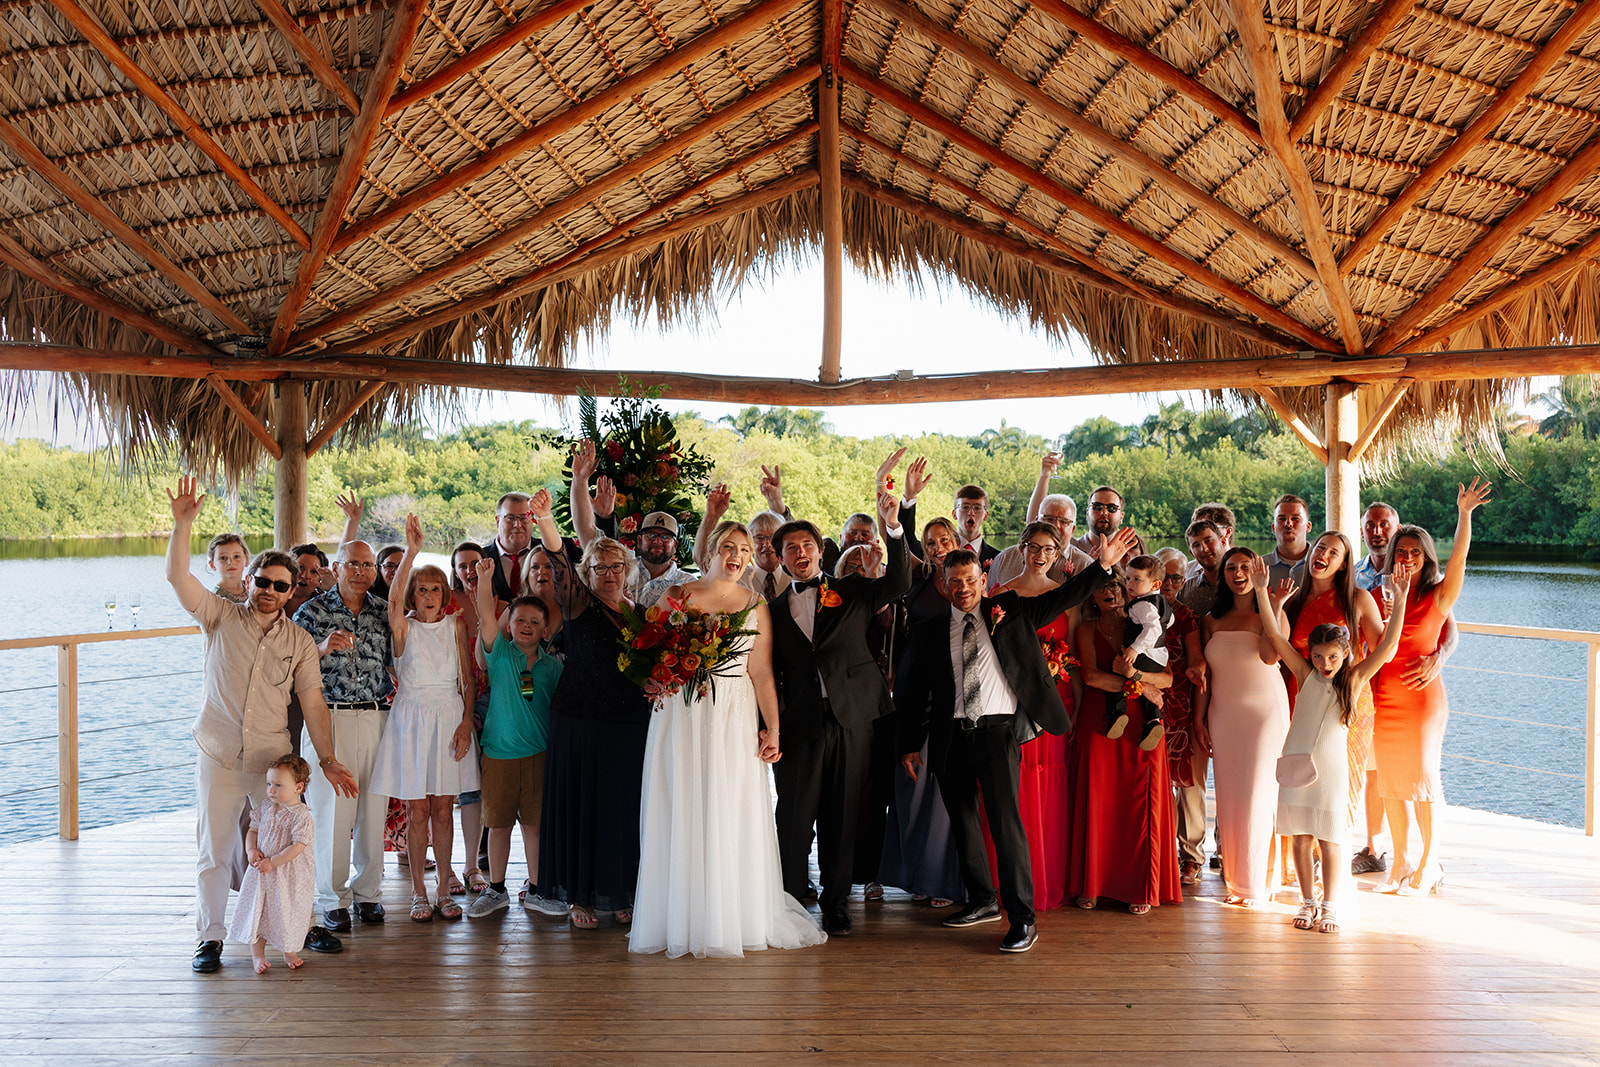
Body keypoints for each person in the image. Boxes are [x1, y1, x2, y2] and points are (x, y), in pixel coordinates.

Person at [898, 528, 1135, 953]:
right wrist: (909, 744)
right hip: (950, 736)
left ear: (983, 582)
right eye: (955, 583)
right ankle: (983, 901)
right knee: (964, 824)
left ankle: (1023, 919)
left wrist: (1103, 564)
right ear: (945, 584)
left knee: (1007, 827)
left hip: (996, 732)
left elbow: (1061, 599)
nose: (964, 589)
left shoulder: (1009, 609)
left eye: (971, 581)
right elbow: (915, 691)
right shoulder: (931, 629)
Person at [163, 477, 356, 974]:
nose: (270, 591)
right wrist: (183, 524)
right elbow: (178, 580)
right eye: (262, 582)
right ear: (247, 581)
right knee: (214, 849)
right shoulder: (219, 616)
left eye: (281, 586)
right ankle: (210, 938)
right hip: (219, 753)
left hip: (273, 765)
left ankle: (298, 927)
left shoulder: (297, 641)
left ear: (293, 591)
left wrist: (329, 759)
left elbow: (313, 705)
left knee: (288, 848)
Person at [628, 520, 828, 959]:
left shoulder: (755, 604)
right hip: (681, 714)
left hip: (733, 717)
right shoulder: (680, 595)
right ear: (710, 554)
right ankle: (681, 915)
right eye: (727, 547)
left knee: (729, 805)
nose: (735, 555)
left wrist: (772, 728)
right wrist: (658, 677)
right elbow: (646, 648)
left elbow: (761, 672)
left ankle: (733, 915)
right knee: (682, 803)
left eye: (743, 549)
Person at [769, 464, 914, 936]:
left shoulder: (850, 590)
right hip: (799, 725)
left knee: (842, 816)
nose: (802, 553)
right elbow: (764, 672)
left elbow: (898, 584)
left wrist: (893, 527)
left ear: (820, 551)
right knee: (793, 819)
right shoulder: (769, 610)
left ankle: (835, 904)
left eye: (809, 545)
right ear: (781, 560)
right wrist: (766, 725)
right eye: (792, 548)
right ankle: (789, 903)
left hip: (853, 720)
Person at [1253, 556, 1411, 935]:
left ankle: (1330, 905)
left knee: (1331, 840)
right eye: (1319, 656)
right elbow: (1276, 638)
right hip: (1296, 766)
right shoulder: (1305, 673)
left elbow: (1387, 647)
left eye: (1333, 657)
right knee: (1300, 838)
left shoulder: (1353, 680)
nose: (1325, 663)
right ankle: (1306, 902)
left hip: (1332, 773)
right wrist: (1262, 592)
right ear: (1310, 655)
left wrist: (1401, 598)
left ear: (1345, 656)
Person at [532, 486, 653, 930]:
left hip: (629, 724)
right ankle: (579, 897)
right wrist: (547, 521)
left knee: (622, 808)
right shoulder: (577, 603)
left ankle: (621, 892)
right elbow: (559, 564)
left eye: (616, 566)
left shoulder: (641, 613)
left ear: (628, 570)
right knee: (582, 809)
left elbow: (650, 665)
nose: (609, 573)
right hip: (580, 722)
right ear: (588, 571)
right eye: (600, 566)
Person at [1371, 479, 1492, 898]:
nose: (1407, 558)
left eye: (1415, 553)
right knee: (1390, 781)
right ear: (1391, 556)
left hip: (1422, 699)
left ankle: (1430, 863)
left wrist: (1464, 515)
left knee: (1423, 779)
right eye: (1400, 552)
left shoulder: (1439, 597)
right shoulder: (1376, 594)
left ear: (1426, 558)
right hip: (1383, 698)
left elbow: (1459, 558)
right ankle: (1402, 860)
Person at [369, 515, 479, 922]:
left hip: (450, 717)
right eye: (422, 589)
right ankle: (418, 892)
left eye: (435, 589)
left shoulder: (455, 623)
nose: (429, 595)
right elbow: (392, 601)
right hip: (412, 719)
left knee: (443, 810)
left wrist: (467, 722)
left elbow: (467, 679)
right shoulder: (403, 627)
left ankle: (445, 888)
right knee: (417, 811)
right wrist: (412, 552)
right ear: (413, 595)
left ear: (444, 594)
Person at [294, 539, 394, 940]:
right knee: (331, 812)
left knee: (374, 806)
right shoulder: (311, 611)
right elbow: (287, 665)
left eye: (368, 565)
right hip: (327, 719)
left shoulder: (384, 612)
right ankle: (333, 900)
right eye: (352, 564)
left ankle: (368, 891)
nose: (361, 571)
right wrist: (320, 648)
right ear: (336, 568)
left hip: (375, 716)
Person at [1067, 573, 1182, 914]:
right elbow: (1090, 677)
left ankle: (1139, 887)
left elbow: (1167, 678)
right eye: (1102, 588)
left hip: (1141, 724)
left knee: (1138, 800)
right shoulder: (1085, 631)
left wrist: (1138, 679)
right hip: (1098, 720)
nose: (1110, 592)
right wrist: (1138, 688)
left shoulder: (1143, 627)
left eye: (1116, 586)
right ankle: (1093, 884)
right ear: (1092, 597)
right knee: (1098, 799)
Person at [986, 520, 1081, 911]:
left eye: (1049, 550)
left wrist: (1075, 706)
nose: (1041, 555)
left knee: (1049, 788)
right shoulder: (999, 594)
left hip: (1054, 700)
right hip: (1008, 700)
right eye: (1034, 547)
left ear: (1058, 555)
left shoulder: (1067, 598)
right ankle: (1003, 883)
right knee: (1012, 788)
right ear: (1021, 549)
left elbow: (1072, 655)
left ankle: (1044, 877)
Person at [467, 555, 563, 918]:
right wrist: (485, 581)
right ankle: (496, 889)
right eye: (519, 619)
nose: (525, 625)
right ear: (509, 626)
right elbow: (486, 618)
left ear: (544, 630)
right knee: (499, 825)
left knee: (535, 827)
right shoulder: (499, 656)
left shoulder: (553, 667)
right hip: (499, 755)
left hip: (538, 755)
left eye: (534, 622)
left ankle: (537, 890)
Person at [879, 516, 966, 908]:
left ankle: (943, 879)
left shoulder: (968, 582)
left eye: (944, 540)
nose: (937, 547)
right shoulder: (914, 582)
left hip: (956, 690)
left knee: (949, 790)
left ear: (956, 540)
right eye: (930, 543)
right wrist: (897, 513)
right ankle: (914, 871)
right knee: (912, 786)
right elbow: (897, 545)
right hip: (916, 688)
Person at [1283, 533, 1385, 852]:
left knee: (1342, 782)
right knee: (1306, 782)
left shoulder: (1357, 599)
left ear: (1343, 565)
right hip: (1305, 699)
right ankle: (1303, 859)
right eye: (1320, 547)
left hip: (1349, 699)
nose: (1323, 554)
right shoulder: (1294, 598)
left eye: (1334, 552)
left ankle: (1334, 857)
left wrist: (1398, 609)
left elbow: (1382, 649)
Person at [1201, 546, 1291, 906]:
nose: (1238, 573)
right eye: (1231, 568)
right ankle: (1237, 882)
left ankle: (1260, 883)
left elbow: (1272, 656)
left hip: (1263, 715)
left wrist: (1270, 601)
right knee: (1230, 798)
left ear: (1258, 570)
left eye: (1246, 567)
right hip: (1223, 716)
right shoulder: (1211, 618)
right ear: (1222, 575)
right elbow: (1204, 676)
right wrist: (1199, 718)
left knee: (1258, 795)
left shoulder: (1269, 611)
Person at [226, 754, 316, 972]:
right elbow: (253, 829)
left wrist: (274, 862)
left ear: (298, 787)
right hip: (262, 871)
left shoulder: (301, 816)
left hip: (286, 873)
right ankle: (257, 955)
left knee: (288, 911)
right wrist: (251, 849)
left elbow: (298, 846)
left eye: (278, 785)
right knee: (258, 911)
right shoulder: (266, 807)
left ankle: (289, 951)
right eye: (269, 784)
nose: (271, 790)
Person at [1154, 547, 1206, 886]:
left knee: (1189, 784)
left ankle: (1192, 856)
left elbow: (1196, 657)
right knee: (1155, 782)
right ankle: (1158, 852)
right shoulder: (1136, 610)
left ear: (1184, 580)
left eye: (1177, 577)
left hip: (1182, 703)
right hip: (1148, 701)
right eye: (1165, 576)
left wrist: (1198, 670)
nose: (1170, 583)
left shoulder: (1188, 616)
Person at [449, 541, 491, 894]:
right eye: (461, 565)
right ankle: (447, 867)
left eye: (474, 564)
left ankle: (473, 864)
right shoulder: (445, 602)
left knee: (479, 785)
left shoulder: (503, 604)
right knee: (453, 785)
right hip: (454, 697)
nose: (468, 571)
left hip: (495, 699)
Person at [1106, 554, 1172, 751]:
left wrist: (1135, 648)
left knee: (1117, 674)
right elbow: (1167, 622)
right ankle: (1153, 720)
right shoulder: (1162, 603)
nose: (1130, 584)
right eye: (1128, 578)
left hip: (1144, 655)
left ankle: (1118, 712)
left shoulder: (1142, 604)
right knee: (1146, 689)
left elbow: (1153, 629)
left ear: (1155, 584)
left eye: (1137, 579)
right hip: (1159, 657)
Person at [1071, 486, 1145, 568]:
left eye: (1112, 508)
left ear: (1121, 517)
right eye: (1097, 507)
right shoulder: (1071, 550)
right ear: (1087, 513)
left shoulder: (1131, 555)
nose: (1104, 512)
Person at [1263, 494, 1312, 585]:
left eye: (1295, 518)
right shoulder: (1259, 567)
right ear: (1273, 528)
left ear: (1308, 526)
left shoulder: (1323, 565)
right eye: (1282, 519)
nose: (1288, 523)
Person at [205, 533, 251, 604]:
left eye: (236, 557)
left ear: (246, 560)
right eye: (223, 558)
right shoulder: (215, 598)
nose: (230, 562)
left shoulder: (254, 588)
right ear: (212, 565)